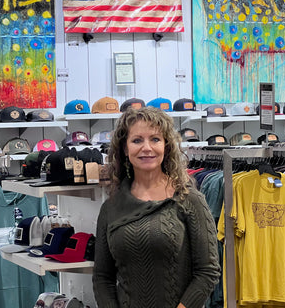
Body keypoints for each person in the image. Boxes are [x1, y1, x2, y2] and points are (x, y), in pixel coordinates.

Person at [93, 106, 221, 308]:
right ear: (125, 149)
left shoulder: (189, 199)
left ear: (166, 146)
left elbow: (208, 271)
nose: (147, 148)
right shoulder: (111, 208)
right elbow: (102, 277)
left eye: (155, 139)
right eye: (137, 140)